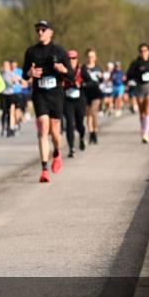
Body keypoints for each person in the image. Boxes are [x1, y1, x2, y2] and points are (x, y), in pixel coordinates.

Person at [22, 20, 70, 183]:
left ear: (51, 32)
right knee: (43, 128)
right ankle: (44, 169)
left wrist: (63, 70)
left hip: (56, 93)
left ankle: (57, 152)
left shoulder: (59, 50)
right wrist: (30, 72)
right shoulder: (31, 52)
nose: (40, 32)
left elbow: (69, 74)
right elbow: (24, 75)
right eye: (38, 30)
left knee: (55, 131)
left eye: (43, 29)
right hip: (40, 94)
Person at [125, 43, 149, 143]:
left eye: (145, 50)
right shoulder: (136, 63)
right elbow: (129, 75)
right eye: (141, 51)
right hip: (140, 88)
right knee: (142, 112)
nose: (143, 53)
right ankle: (143, 129)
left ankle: (146, 134)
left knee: (148, 111)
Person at [62, 49, 87, 158]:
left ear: (77, 58)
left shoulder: (82, 69)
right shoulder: (63, 70)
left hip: (80, 100)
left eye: (74, 58)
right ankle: (71, 148)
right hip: (67, 100)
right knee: (69, 123)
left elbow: (92, 82)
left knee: (79, 124)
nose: (71, 60)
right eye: (69, 58)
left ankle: (82, 137)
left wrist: (81, 84)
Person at [80, 48, 103, 145]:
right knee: (88, 115)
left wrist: (100, 78)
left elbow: (100, 81)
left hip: (96, 94)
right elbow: (81, 80)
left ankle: (95, 132)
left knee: (94, 112)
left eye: (92, 57)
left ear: (95, 58)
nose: (90, 59)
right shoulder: (83, 68)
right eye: (89, 57)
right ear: (86, 57)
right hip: (85, 94)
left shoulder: (98, 68)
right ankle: (91, 133)